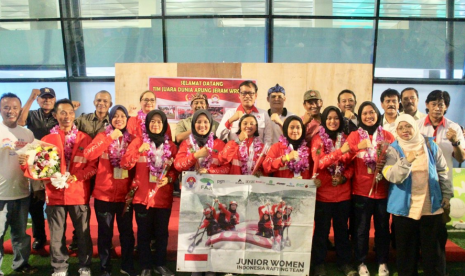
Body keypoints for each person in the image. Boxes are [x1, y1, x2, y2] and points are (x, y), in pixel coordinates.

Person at [21, 99, 97, 276]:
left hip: (79, 194)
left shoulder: (85, 139)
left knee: (83, 233)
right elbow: (37, 169)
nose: (67, 116)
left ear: (74, 114)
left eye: (70, 112)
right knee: (56, 234)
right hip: (55, 194)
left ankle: (84, 265)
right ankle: (60, 267)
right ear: (55, 115)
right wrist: (25, 164)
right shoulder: (47, 141)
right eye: (62, 113)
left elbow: (93, 167)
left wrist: (77, 176)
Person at [383, 114, 452, 276]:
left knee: (433, 256)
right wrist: (406, 161)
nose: (405, 130)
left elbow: (443, 172)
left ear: (415, 126)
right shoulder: (393, 149)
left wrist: (447, 195)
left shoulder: (430, 145)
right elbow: (392, 176)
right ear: (396, 130)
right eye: (400, 127)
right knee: (406, 256)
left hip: (431, 208)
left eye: (408, 126)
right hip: (405, 212)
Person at [121, 110, 179, 276]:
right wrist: (138, 150)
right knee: (144, 234)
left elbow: (175, 170)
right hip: (142, 197)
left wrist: (169, 179)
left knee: (162, 234)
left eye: (159, 122)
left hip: (163, 198)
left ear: (164, 125)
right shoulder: (138, 142)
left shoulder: (171, 146)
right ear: (147, 124)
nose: (155, 124)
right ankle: (145, 266)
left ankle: (160, 264)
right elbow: (125, 163)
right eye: (152, 121)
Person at [83, 105, 137, 276]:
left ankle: (127, 266)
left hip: (124, 196)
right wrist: (109, 138)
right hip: (103, 196)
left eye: (122, 116)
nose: (119, 119)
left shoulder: (132, 140)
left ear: (127, 119)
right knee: (105, 234)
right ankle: (105, 268)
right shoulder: (102, 136)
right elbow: (89, 154)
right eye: (115, 116)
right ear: (110, 119)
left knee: (127, 234)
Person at [417, 90, 465, 275]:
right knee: (418, 229)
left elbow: (461, 157)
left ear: (447, 107)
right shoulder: (417, 126)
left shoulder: (454, 128)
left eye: (442, 104)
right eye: (434, 103)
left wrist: (455, 142)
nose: (438, 108)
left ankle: (436, 269)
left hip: (442, 186)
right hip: (419, 186)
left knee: (437, 232)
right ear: (427, 105)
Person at [345, 101, 395, 276]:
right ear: (360, 116)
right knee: (361, 229)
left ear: (377, 114)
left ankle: (382, 261)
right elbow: (345, 159)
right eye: (365, 113)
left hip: (382, 191)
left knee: (382, 228)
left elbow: (396, 159)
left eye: (372, 112)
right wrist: (355, 148)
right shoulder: (353, 136)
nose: (368, 116)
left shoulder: (388, 136)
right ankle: (361, 262)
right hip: (361, 191)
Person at [310, 106, 356, 276]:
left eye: (336, 118)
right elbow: (320, 163)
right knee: (321, 232)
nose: (333, 121)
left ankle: (344, 263)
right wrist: (339, 152)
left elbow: (352, 166)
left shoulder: (346, 139)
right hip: (323, 194)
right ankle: (319, 264)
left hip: (343, 194)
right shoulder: (317, 140)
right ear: (324, 120)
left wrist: (344, 177)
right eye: (329, 118)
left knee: (342, 231)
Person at [0, 93, 38, 274]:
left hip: (22, 192)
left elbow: (37, 160)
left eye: (15, 107)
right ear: (1, 109)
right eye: (6, 107)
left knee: (20, 234)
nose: (11, 111)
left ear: (20, 110)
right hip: (0, 194)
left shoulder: (27, 134)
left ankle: (21, 265)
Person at [175, 109, 230, 175]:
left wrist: (209, 171)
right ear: (193, 124)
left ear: (210, 124)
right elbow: (177, 165)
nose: (202, 125)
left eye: (206, 122)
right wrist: (195, 156)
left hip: (213, 184)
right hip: (190, 183)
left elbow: (227, 167)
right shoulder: (187, 143)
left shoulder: (219, 144)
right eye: (198, 122)